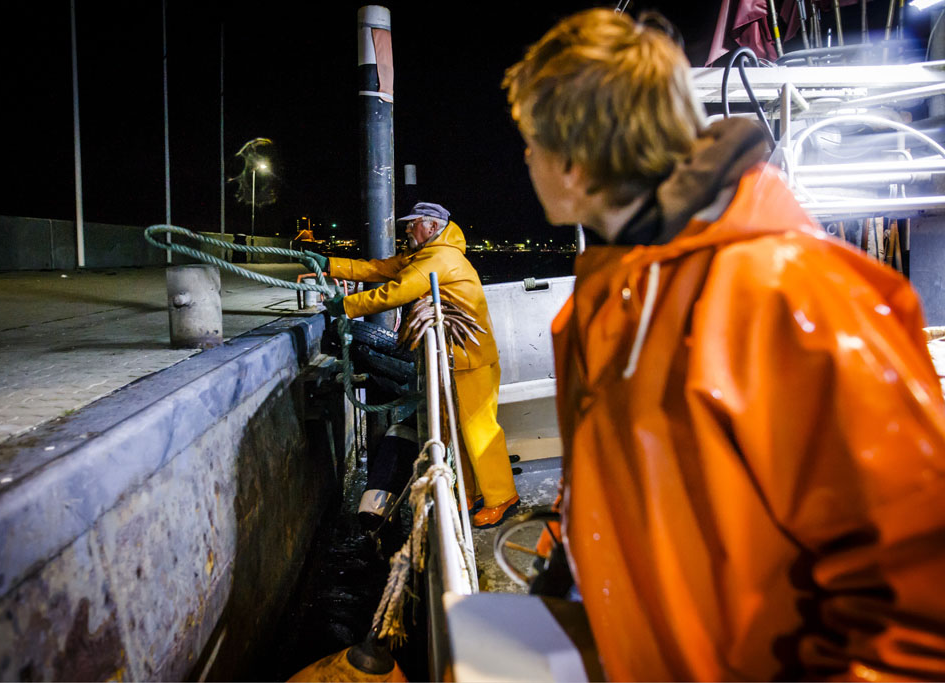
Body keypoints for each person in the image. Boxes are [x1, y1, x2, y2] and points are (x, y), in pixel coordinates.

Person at [504, 8, 945, 681]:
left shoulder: (791, 295)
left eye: (531, 142)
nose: (526, 160)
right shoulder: (603, 304)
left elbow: (916, 614)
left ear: (570, 163)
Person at [305, 202, 520, 527]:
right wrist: (333, 265)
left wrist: (346, 306)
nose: (407, 229)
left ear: (432, 227)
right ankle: (472, 494)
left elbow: (396, 292)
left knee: (479, 430)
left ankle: (502, 497)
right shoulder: (424, 255)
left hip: (470, 360)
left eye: (413, 223)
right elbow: (380, 269)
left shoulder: (438, 259)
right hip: (454, 358)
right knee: (458, 433)